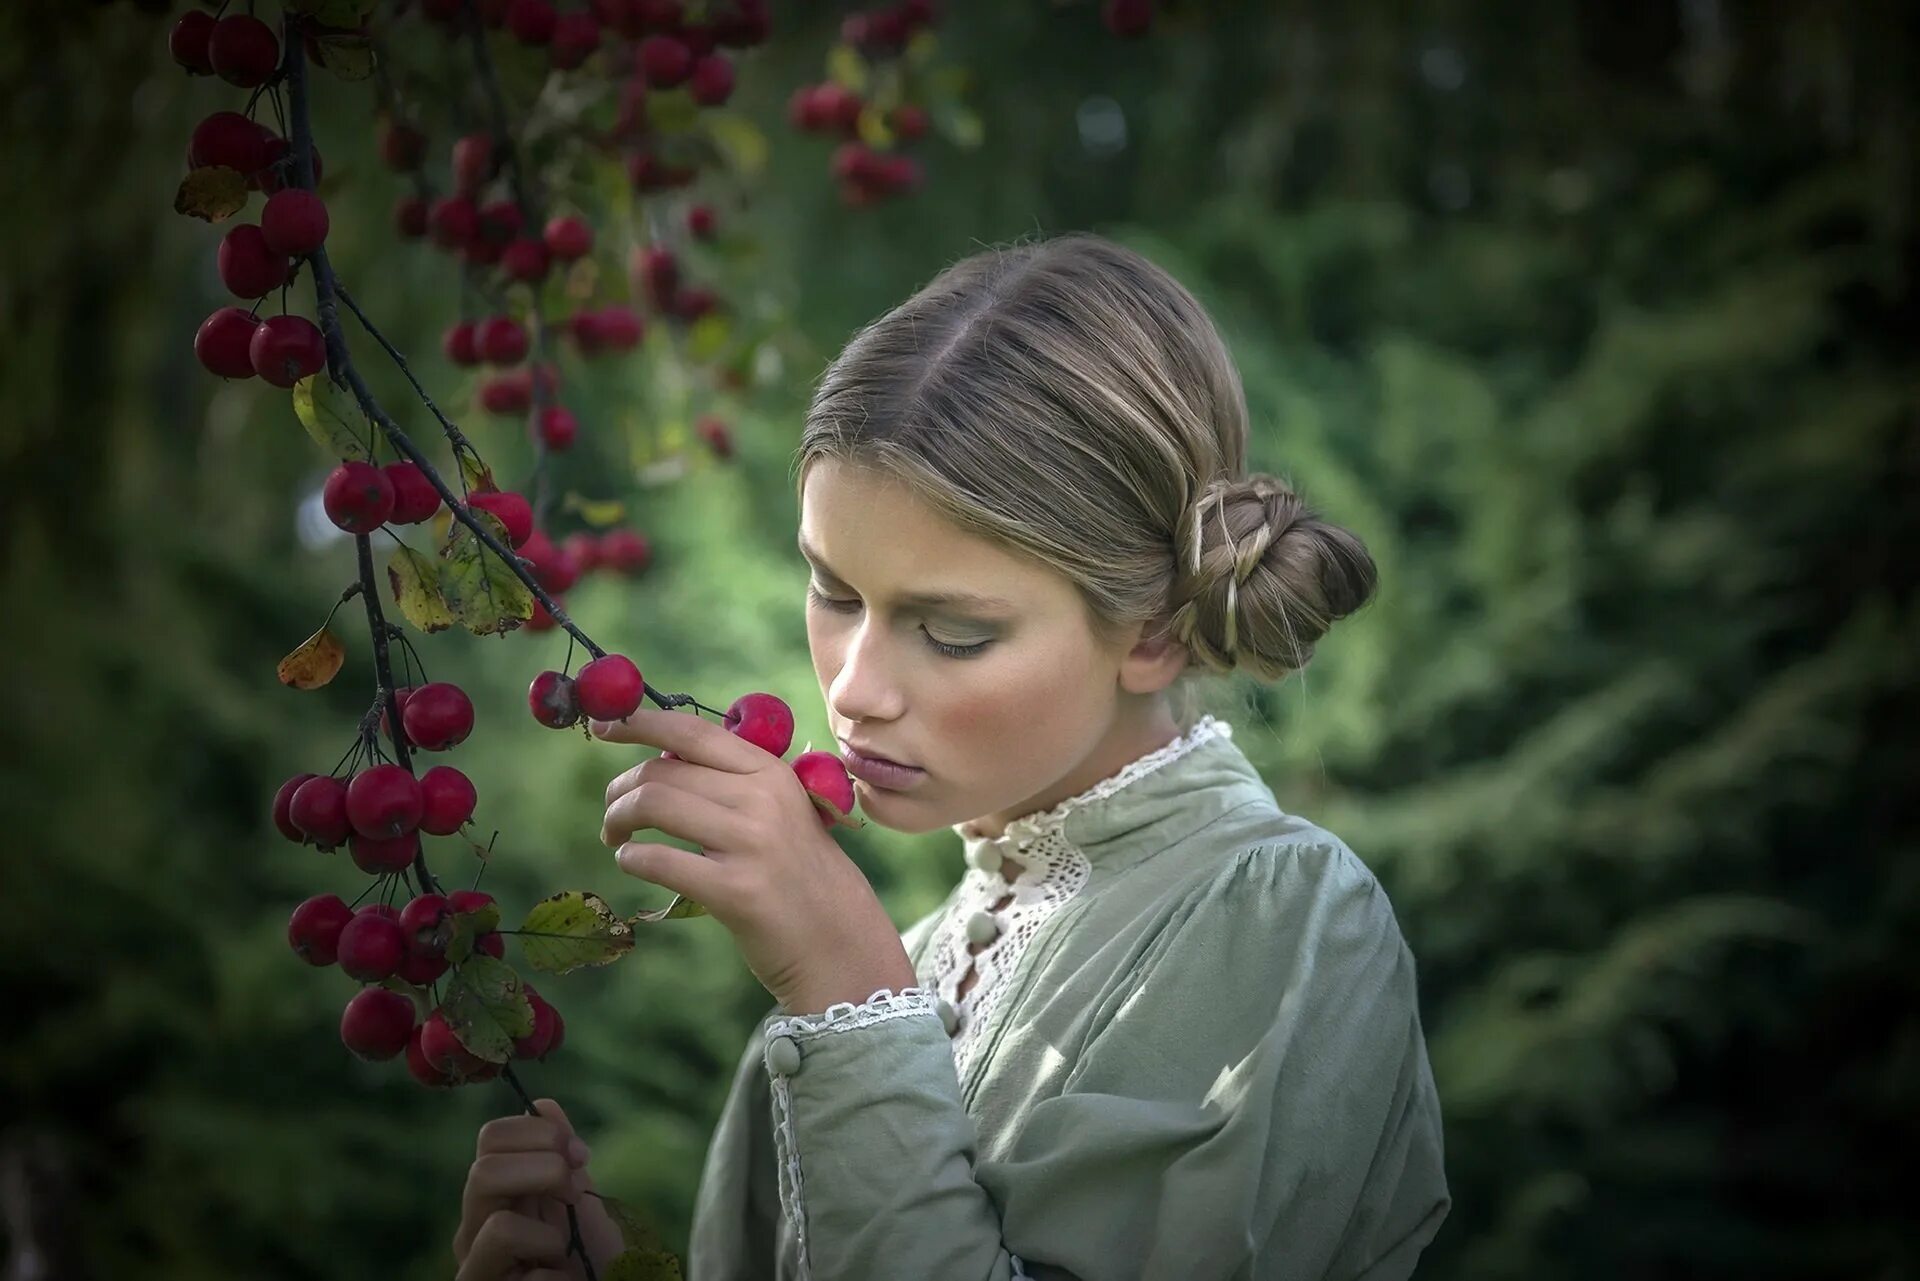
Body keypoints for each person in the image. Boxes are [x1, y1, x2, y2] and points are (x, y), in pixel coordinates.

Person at [450, 231, 1450, 1280]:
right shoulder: (898, 969)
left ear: (1152, 633)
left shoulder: (1288, 919)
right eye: (833, 592)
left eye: (955, 633)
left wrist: (843, 990)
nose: (851, 688)